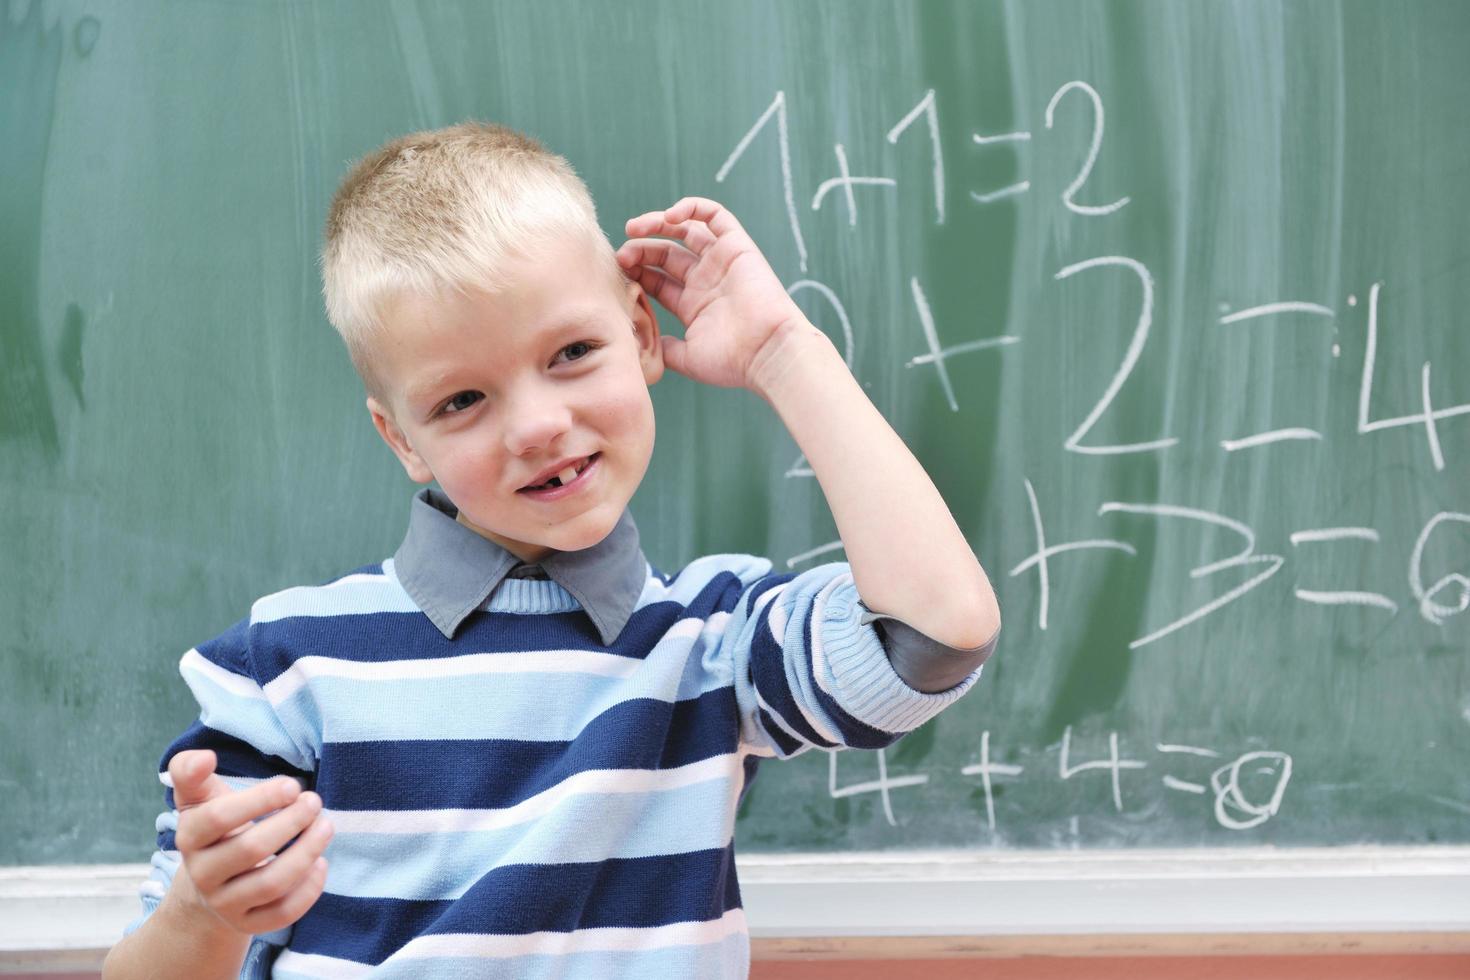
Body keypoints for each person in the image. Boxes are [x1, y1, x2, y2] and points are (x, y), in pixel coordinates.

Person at [103, 121, 1001, 979]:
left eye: (573, 351)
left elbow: (934, 635)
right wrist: (205, 911)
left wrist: (780, 350)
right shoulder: (286, 667)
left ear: (643, 334)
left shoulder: (712, 644)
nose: (537, 425)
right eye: (462, 401)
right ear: (402, 438)